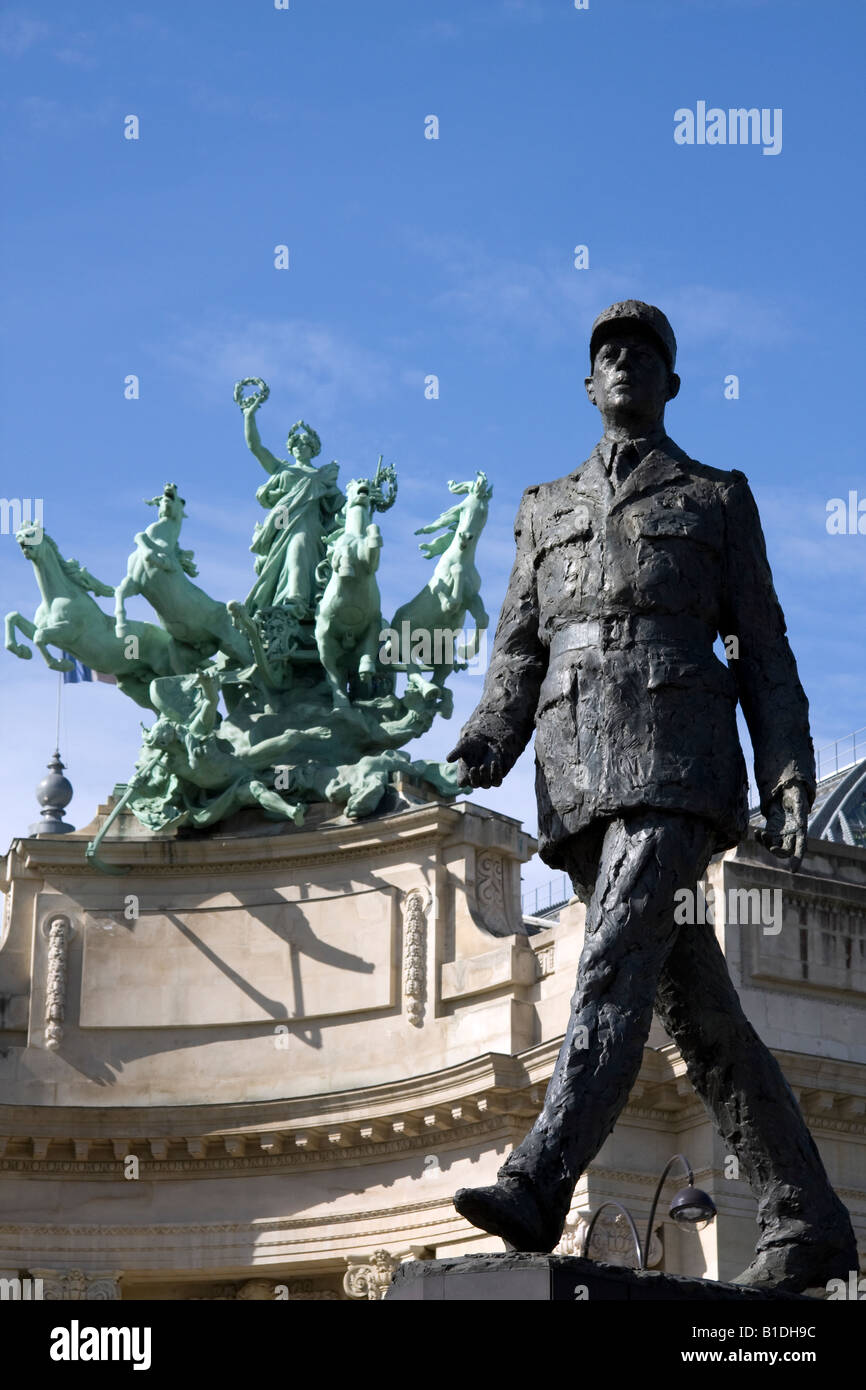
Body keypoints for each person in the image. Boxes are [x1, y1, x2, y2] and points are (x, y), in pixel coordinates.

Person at [447, 300, 857, 1292]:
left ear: (670, 383)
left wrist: (787, 771)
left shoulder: (715, 496)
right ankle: (804, 1214)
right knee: (695, 1010)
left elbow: (760, 646)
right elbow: (517, 643)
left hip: (677, 760)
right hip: (575, 770)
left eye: (643, 352)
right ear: (588, 384)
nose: (623, 361)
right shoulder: (541, 506)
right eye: (606, 353)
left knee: (611, 957)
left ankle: (540, 1178)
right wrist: (488, 736)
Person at [241, 401, 343, 618]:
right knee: (283, 556)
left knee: (298, 548)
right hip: (284, 520)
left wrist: (366, 499)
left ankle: (296, 599)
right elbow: (255, 447)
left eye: (304, 443)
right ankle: (286, 599)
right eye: (295, 443)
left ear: (313, 448)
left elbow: (341, 506)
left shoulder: (322, 476)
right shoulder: (282, 468)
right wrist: (249, 415)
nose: (299, 446)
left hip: (310, 523)